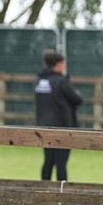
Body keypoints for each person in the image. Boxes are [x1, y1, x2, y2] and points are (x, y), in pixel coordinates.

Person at [34, 49, 82, 182]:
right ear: (59, 64)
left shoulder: (39, 82)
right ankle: (62, 192)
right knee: (61, 163)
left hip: (44, 126)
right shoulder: (61, 82)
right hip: (62, 127)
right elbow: (77, 99)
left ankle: (44, 189)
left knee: (48, 160)